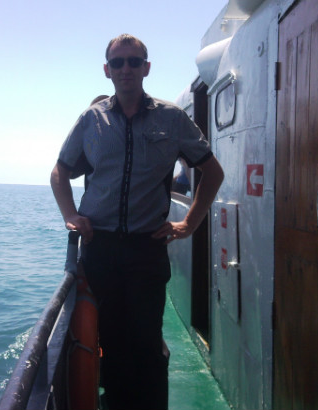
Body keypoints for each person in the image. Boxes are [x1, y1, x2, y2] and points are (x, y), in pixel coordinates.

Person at [50, 34, 224, 410]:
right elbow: (60, 172)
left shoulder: (171, 118)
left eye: (133, 61)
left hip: (147, 248)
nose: (125, 69)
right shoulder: (91, 120)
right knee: (111, 340)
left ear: (146, 68)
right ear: (107, 70)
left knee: (146, 342)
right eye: (118, 62)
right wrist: (70, 215)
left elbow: (213, 172)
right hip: (101, 248)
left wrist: (190, 223)